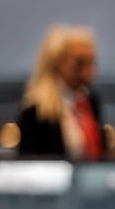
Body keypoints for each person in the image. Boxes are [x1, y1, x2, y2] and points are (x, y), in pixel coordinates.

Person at [16, 24, 106, 159]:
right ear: (57, 62)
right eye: (80, 62)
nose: (90, 71)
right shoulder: (36, 110)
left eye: (91, 62)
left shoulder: (91, 102)